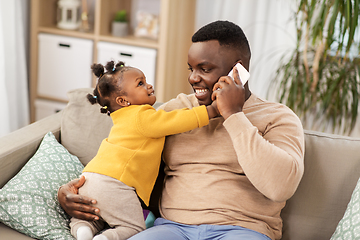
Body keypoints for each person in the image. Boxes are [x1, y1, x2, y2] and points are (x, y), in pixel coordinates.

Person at [58, 20, 305, 240]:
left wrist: (233, 114)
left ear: (237, 70)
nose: (193, 79)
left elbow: (280, 186)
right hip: (172, 229)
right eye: (191, 69)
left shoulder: (277, 117)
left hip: (242, 230)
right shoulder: (176, 111)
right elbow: (121, 155)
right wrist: (72, 190)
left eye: (204, 69)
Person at [69, 60, 219, 240]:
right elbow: (175, 120)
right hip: (114, 184)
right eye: (140, 83)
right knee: (133, 227)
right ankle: (106, 238)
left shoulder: (121, 120)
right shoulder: (142, 116)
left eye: (145, 80)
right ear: (123, 101)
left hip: (89, 178)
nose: (149, 85)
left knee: (96, 217)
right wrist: (211, 111)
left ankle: (82, 230)